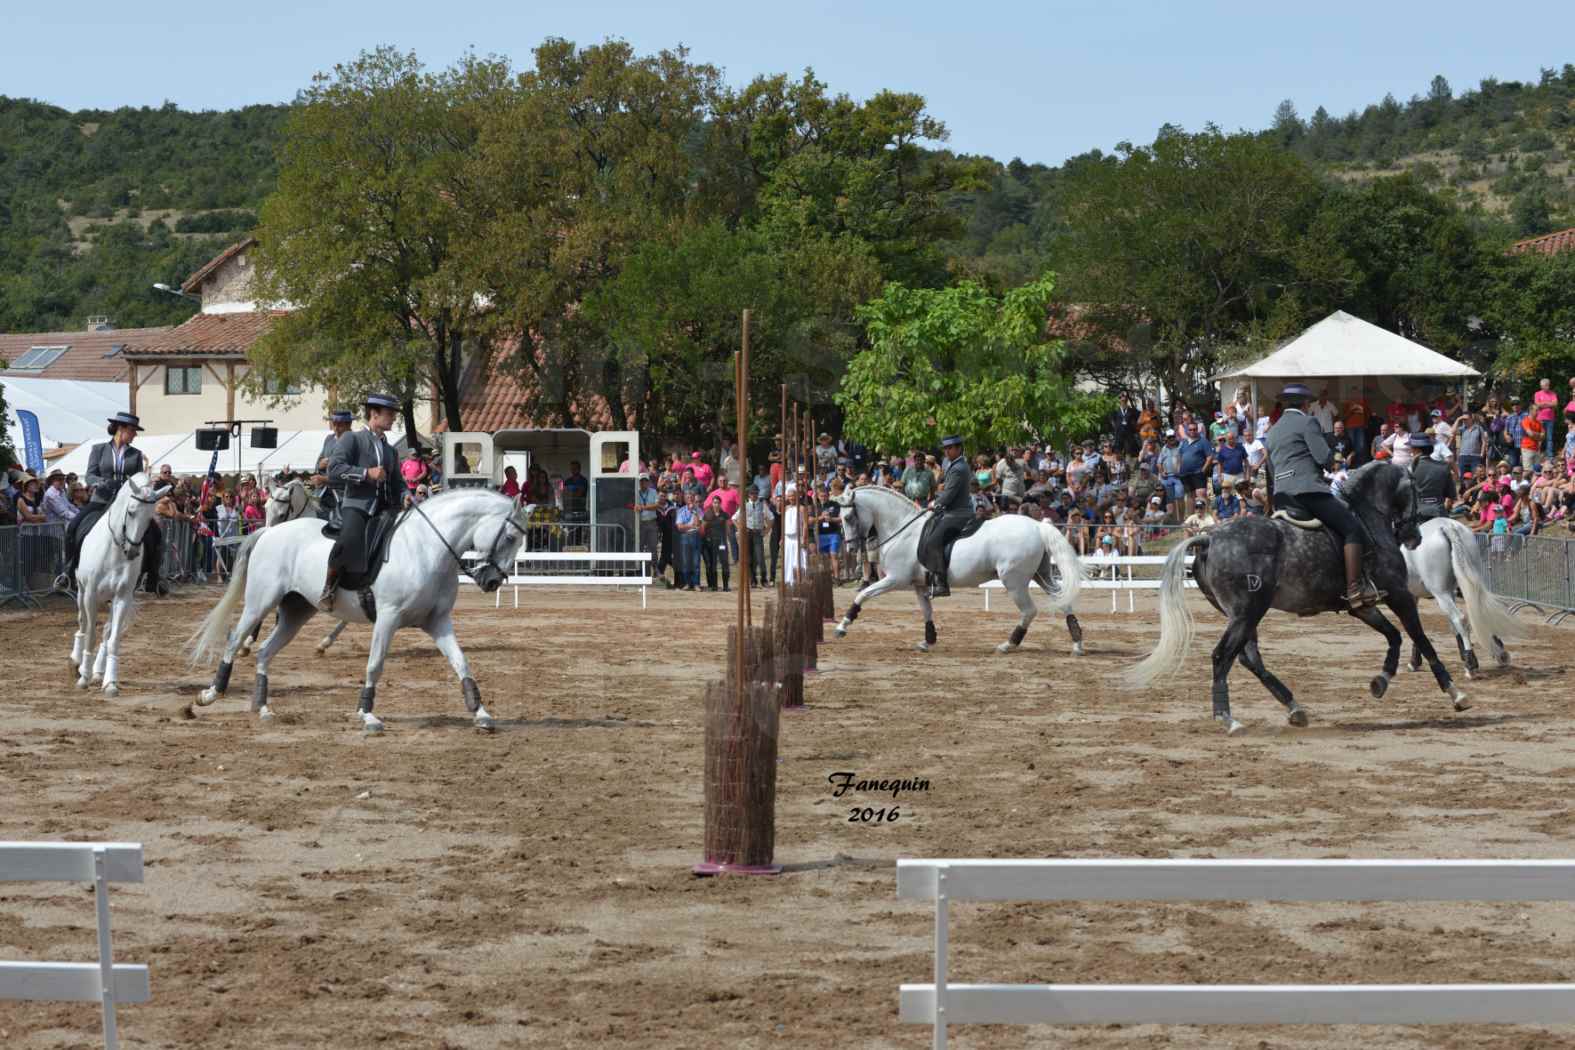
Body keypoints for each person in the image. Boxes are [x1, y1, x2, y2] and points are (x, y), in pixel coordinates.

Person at [1265, 382, 1381, 610]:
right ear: (1307, 404)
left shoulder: (1273, 430)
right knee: (1352, 528)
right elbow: (1322, 457)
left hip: (1281, 495)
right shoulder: (1308, 421)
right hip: (1307, 491)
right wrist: (1335, 463)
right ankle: (1355, 589)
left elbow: (1271, 468)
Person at [320, 393, 402, 613]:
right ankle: (329, 588)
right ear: (374, 414)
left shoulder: (391, 450)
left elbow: (398, 484)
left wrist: (408, 496)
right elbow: (334, 469)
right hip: (357, 504)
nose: (393, 418)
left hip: (386, 508)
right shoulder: (352, 439)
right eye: (390, 414)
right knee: (349, 539)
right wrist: (366, 473)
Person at [60, 412, 149, 585]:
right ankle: (68, 570)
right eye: (133, 430)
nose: (135, 435)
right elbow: (90, 475)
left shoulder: (136, 454)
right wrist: (103, 482)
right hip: (100, 500)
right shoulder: (99, 449)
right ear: (120, 429)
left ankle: (153, 576)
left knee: (154, 531)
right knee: (73, 527)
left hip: (125, 503)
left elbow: (138, 478)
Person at [921, 435, 973, 598]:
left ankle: (942, 584)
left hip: (957, 513)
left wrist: (934, 504)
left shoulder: (958, 468)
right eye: (945, 448)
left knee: (933, 541)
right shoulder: (955, 465)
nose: (947, 451)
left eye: (950, 448)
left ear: (958, 449)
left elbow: (949, 494)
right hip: (952, 511)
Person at [312, 409, 354, 525]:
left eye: (339, 424)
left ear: (349, 424)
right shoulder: (329, 439)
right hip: (322, 494)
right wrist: (320, 466)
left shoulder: (355, 441)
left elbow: (352, 472)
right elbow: (317, 463)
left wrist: (326, 480)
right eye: (334, 424)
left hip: (343, 495)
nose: (335, 427)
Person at [1408, 433, 1454, 522]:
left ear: (1416, 449)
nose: (1410, 450)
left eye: (1411, 448)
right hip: (1439, 512)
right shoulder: (1444, 467)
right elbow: (1451, 495)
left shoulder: (1410, 469)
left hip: (1418, 514)